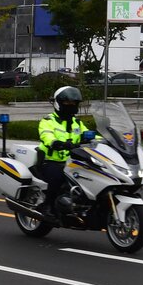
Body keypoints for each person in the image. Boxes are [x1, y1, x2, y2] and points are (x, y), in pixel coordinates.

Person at [38, 85, 85, 215]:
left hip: (73, 162)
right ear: (58, 103)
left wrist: (103, 140)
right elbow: (46, 135)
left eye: (74, 102)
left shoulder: (77, 122)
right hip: (51, 161)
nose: (71, 105)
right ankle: (48, 205)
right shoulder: (48, 121)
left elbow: (88, 134)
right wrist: (56, 143)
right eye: (67, 102)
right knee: (58, 177)